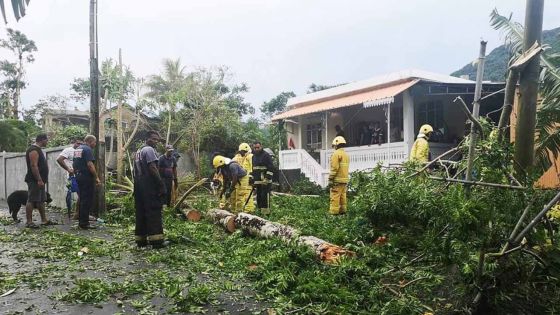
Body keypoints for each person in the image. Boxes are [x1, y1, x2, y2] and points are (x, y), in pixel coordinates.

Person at [134, 131, 168, 248]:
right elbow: (152, 167)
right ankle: (157, 241)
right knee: (153, 210)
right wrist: (161, 184)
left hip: (139, 184)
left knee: (141, 211)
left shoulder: (139, 151)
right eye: (154, 139)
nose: (156, 142)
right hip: (148, 184)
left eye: (157, 140)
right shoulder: (148, 150)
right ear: (147, 139)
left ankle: (141, 240)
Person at [24, 133, 54, 228]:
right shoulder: (33, 150)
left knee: (41, 200)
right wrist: (39, 179)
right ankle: (29, 222)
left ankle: (44, 220)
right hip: (35, 180)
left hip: (40, 180)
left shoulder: (38, 149)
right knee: (32, 200)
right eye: (46, 140)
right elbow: (33, 165)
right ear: (42, 140)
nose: (47, 142)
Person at [73, 135, 101, 229]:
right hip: (86, 177)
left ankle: (82, 221)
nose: (95, 144)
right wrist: (96, 177)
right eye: (95, 142)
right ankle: (84, 223)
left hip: (78, 176)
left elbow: (74, 163)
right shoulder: (87, 149)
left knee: (82, 199)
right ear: (90, 141)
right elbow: (90, 164)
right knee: (86, 200)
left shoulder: (78, 149)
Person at [56, 138, 82, 219]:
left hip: (79, 175)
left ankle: (77, 214)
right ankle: (76, 214)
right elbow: (59, 159)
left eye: (80, 143)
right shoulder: (68, 150)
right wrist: (68, 169)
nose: (79, 145)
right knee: (79, 195)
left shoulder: (79, 151)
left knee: (81, 195)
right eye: (77, 143)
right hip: (72, 177)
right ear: (73, 142)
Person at [328, 136, 349, 215]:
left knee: (335, 196)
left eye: (334, 146)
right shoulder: (346, 155)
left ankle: (334, 213)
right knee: (343, 196)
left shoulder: (336, 154)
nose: (334, 147)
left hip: (337, 180)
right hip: (344, 180)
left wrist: (330, 178)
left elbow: (334, 168)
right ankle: (343, 211)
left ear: (336, 144)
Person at [251, 141, 274, 213]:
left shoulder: (266, 155)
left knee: (265, 196)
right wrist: (252, 179)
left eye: (258, 147)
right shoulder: (253, 156)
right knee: (259, 197)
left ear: (261, 146)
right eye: (255, 148)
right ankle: (260, 211)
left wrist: (267, 178)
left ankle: (266, 213)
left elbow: (271, 168)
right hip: (257, 181)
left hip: (265, 181)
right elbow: (253, 169)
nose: (256, 149)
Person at [233, 143, 254, 212]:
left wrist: (252, 177)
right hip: (241, 179)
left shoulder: (250, 156)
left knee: (247, 195)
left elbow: (253, 167)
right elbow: (233, 162)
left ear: (245, 150)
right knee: (239, 195)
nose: (240, 153)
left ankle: (249, 211)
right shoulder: (240, 157)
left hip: (248, 179)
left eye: (241, 152)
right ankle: (239, 211)